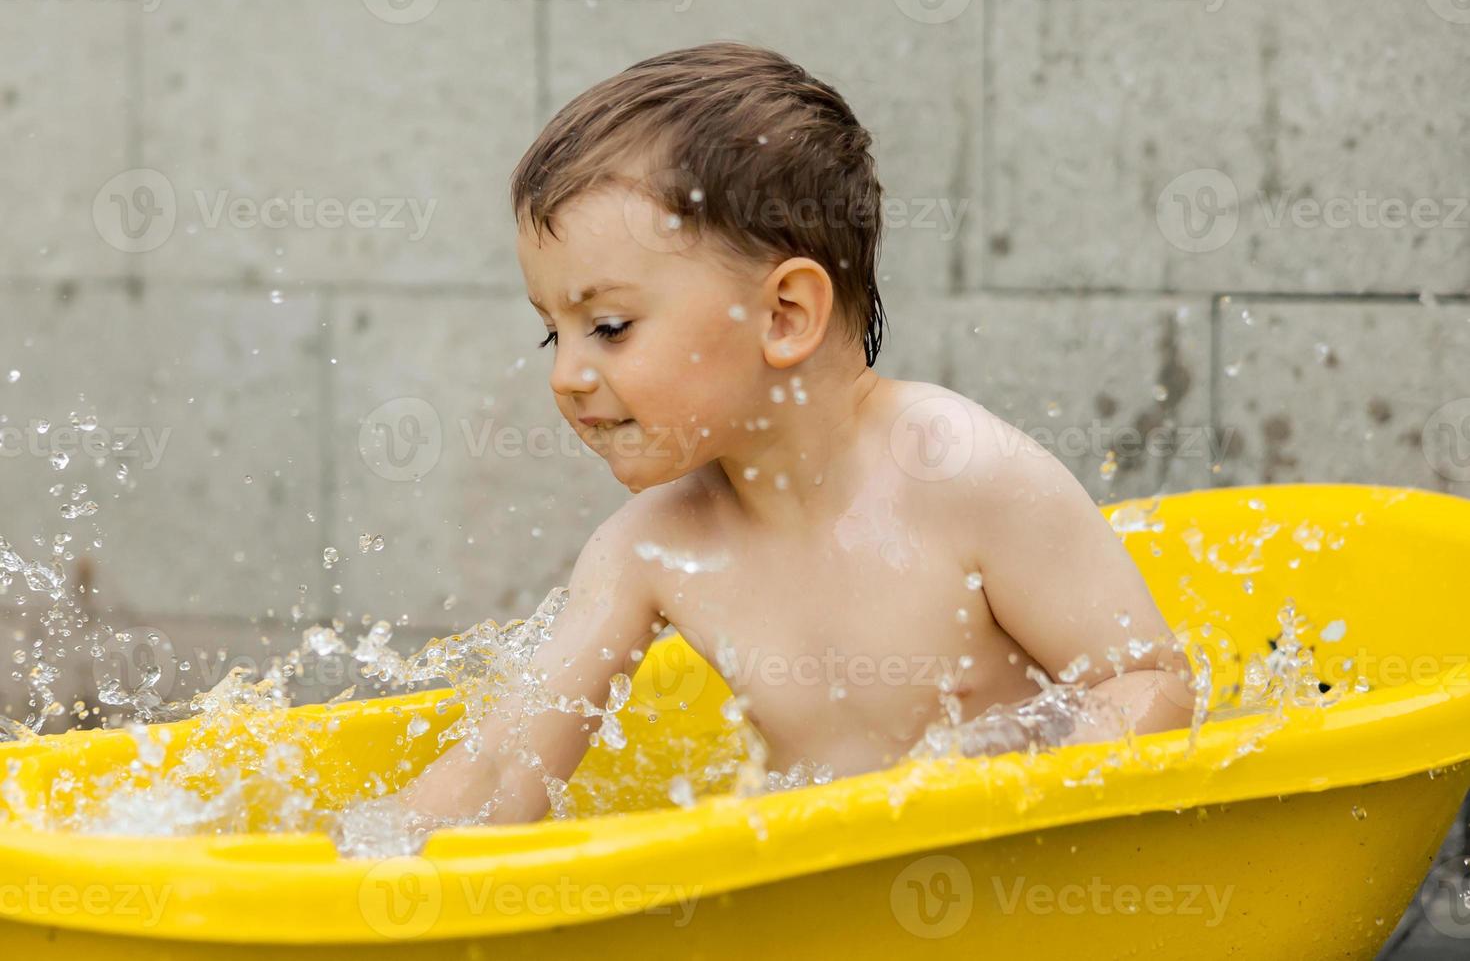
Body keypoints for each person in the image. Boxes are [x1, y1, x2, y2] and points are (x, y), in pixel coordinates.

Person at [396, 41, 1193, 825]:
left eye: (608, 326)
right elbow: (500, 770)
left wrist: (1015, 812)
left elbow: (1147, 682)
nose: (565, 375)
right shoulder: (648, 549)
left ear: (784, 315)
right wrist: (344, 865)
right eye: (552, 334)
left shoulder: (962, 473)